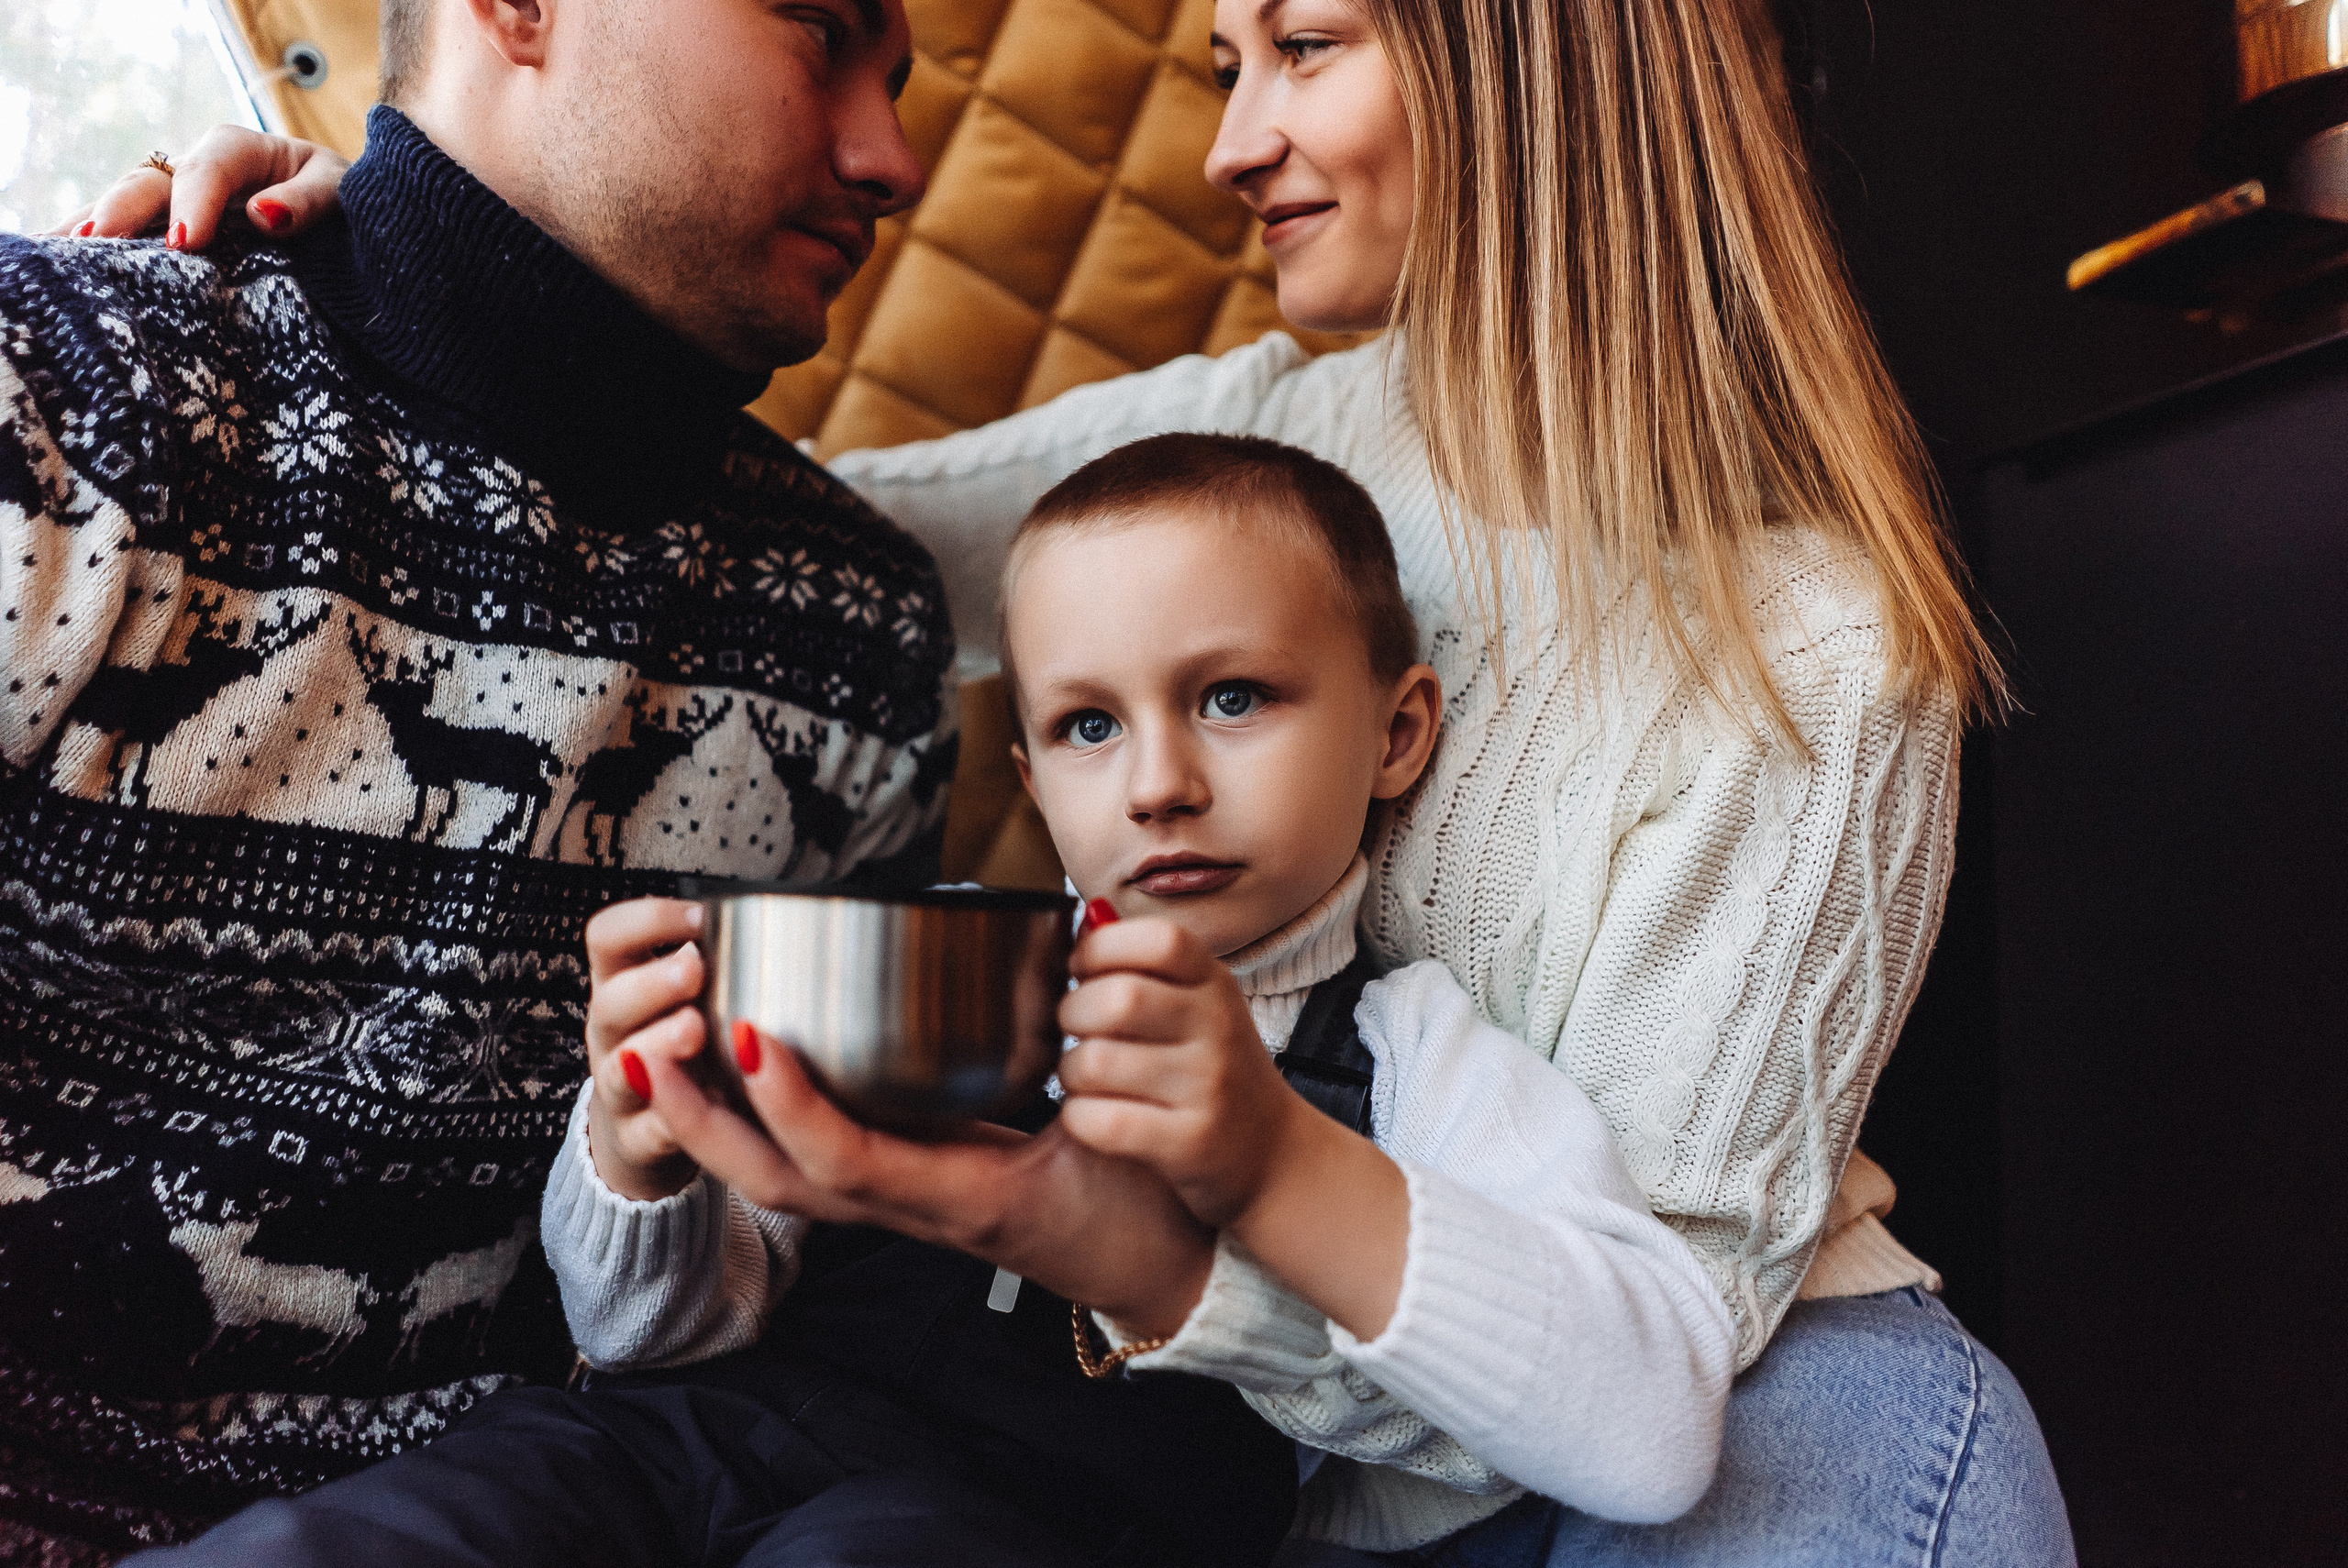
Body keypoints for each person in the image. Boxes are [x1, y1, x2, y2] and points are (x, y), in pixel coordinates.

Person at [116, 0, 2079, 1561]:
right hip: (1153, 1398)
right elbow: (761, 524)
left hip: (1639, 1378)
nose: (1231, 145)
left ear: (1534, 57)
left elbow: (1648, 1388)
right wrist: (398, 253)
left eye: (1303, 48)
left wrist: (1141, 1242)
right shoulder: (1259, 435)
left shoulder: (1814, 649)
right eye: (1222, 70)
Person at [128, 431, 1734, 1566]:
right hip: (678, 1436)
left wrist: (1266, 1153)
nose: (1160, 782)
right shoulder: (941, 951)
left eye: (1234, 696)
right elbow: (648, 1330)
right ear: (1032, 778)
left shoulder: (1411, 1048)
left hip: (1039, 1524)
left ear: (1396, 733)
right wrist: (637, 1151)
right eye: (1091, 727)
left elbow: (1654, 1433)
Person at [0, 0, 974, 1561]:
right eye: (816, 31)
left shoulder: (862, 635)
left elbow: (768, 1282)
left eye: (903, 83)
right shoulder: (62, 393)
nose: (895, 159)